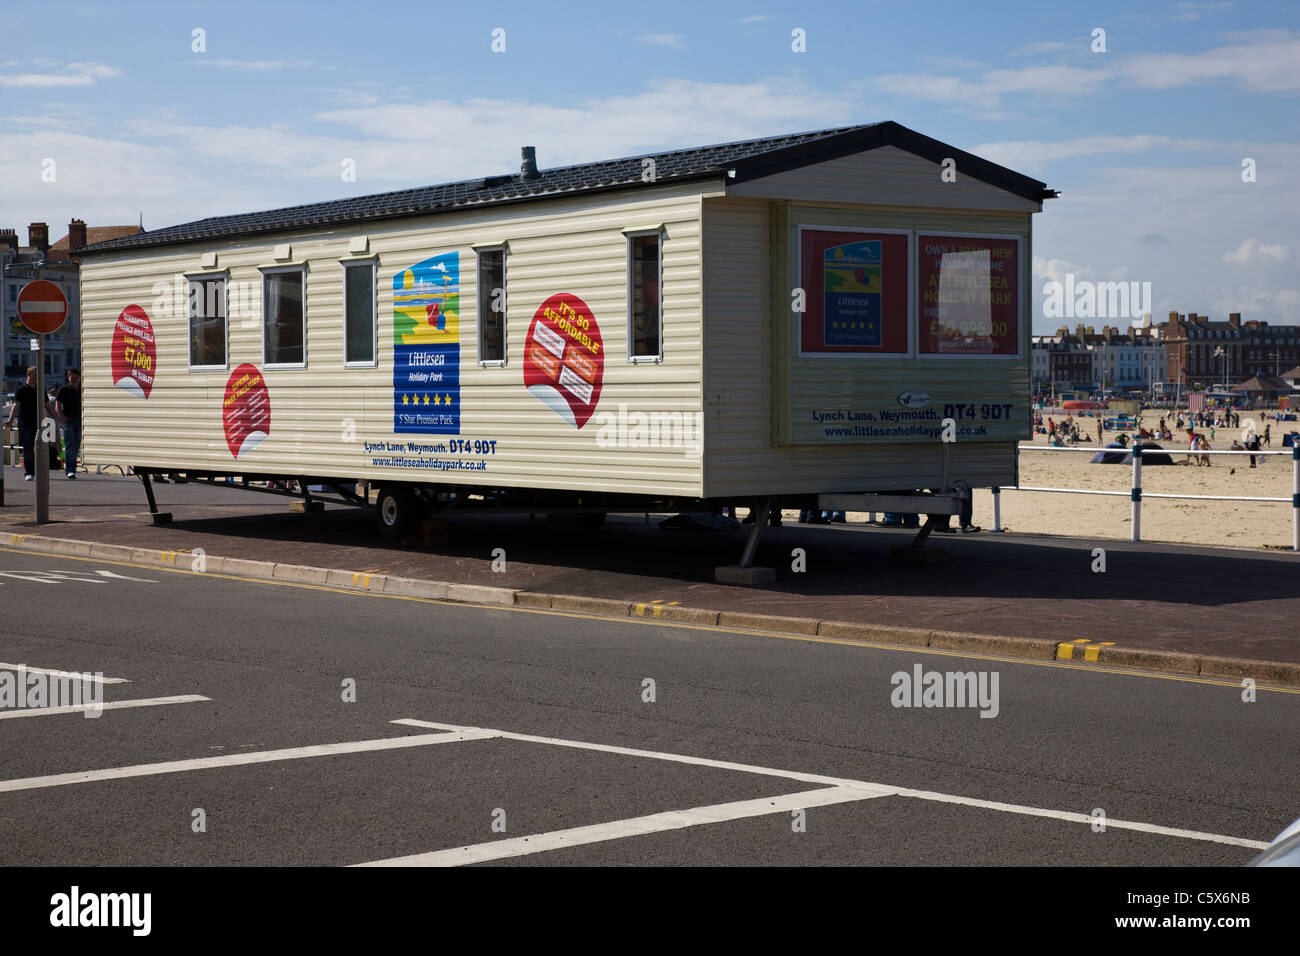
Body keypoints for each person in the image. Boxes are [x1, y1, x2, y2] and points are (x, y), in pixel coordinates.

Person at [3, 367, 39, 480]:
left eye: (37, 375)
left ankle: (36, 471)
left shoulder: (40, 390)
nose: (36, 377)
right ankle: (29, 472)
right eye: (34, 374)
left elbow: (47, 405)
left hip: (38, 423)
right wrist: (10, 420)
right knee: (28, 447)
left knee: (39, 448)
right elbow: (15, 407)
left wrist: (57, 416)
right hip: (25, 422)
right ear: (28, 375)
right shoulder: (21, 390)